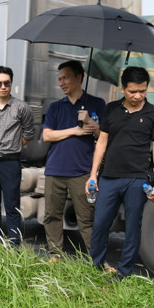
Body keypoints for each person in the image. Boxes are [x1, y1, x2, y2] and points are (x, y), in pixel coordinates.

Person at [87, 66, 154, 280]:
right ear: (122, 88)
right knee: (101, 223)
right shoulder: (111, 109)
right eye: (132, 91)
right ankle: (96, 265)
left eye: (143, 90)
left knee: (132, 227)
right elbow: (101, 143)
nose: (138, 96)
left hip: (137, 178)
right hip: (109, 177)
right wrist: (93, 174)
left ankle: (124, 272)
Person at [41, 60, 107, 253]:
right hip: (55, 170)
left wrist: (89, 122)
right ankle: (55, 254)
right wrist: (74, 130)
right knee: (52, 215)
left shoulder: (97, 104)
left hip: (83, 172)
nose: (61, 83)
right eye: (59, 79)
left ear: (79, 78)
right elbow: (47, 135)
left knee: (87, 218)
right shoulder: (55, 107)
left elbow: (104, 136)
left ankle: (96, 258)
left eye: (66, 78)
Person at [0, 66, 36, 245]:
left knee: (12, 207)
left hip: (10, 163)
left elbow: (29, 133)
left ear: (11, 84)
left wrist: (13, 147)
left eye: (7, 83)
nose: (3, 86)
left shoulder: (21, 107)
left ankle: (14, 244)